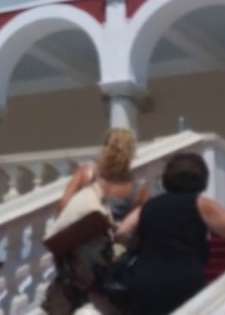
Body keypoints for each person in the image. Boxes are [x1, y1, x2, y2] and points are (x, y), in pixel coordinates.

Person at [114, 154, 225, 315]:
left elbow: (122, 232)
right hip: (183, 281)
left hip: (145, 282)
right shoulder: (200, 204)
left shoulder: (148, 206)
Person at [43, 128, 150, 314]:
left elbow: (63, 204)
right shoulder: (139, 188)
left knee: (69, 296)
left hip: (78, 250)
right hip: (109, 255)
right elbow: (135, 229)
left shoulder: (87, 173)